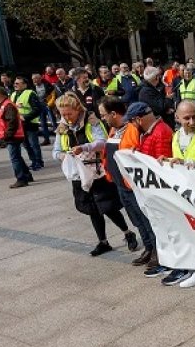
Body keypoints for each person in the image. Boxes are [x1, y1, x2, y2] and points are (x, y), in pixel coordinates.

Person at [54, 92, 137, 257]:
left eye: (69, 113)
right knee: (91, 209)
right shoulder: (62, 127)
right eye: (63, 114)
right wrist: (63, 155)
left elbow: (102, 142)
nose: (66, 117)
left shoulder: (92, 122)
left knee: (108, 206)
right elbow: (56, 151)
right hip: (79, 174)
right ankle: (103, 241)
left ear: (78, 109)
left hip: (96, 171)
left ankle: (128, 232)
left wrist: (84, 147)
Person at [100, 97, 161, 273]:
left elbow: (135, 153)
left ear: (113, 113)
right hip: (120, 183)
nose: (103, 118)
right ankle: (148, 248)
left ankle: (157, 250)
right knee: (136, 219)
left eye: (104, 114)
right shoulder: (113, 130)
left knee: (145, 218)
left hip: (133, 184)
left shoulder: (132, 129)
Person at [0, 86, 33, 189]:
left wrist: (7, 136)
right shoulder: (1, 105)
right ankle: (27, 175)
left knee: (15, 158)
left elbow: (12, 122)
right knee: (17, 157)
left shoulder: (8, 105)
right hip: (11, 136)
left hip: (13, 136)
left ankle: (21, 179)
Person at [12, 76, 47, 172]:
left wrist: (25, 117)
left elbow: (37, 109)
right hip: (19, 124)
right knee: (26, 145)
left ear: (24, 85)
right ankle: (33, 161)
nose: (15, 85)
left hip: (30, 123)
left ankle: (39, 162)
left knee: (33, 144)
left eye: (18, 83)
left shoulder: (30, 93)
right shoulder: (13, 94)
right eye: (15, 83)